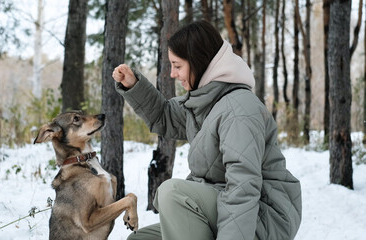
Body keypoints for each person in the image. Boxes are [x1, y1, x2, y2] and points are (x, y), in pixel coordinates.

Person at [112, 20, 301, 240]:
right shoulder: (204, 102)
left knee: (172, 193)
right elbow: (165, 116)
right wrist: (134, 85)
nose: (173, 74)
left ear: (199, 62)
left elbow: (243, 187)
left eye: (178, 66)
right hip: (223, 206)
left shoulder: (238, 110)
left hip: (262, 217)